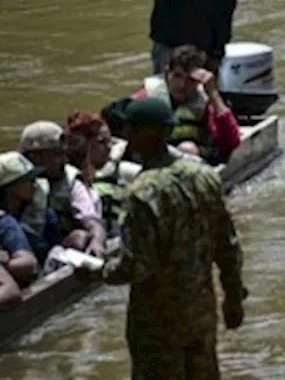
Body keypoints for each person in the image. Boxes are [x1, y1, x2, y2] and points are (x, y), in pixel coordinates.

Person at [79, 98, 246, 380]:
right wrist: (233, 297)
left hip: (156, 324)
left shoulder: (142, 193)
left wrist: (96, 272)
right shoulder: (204, 176)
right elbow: (227, 245)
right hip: (200, 314)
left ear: (133, 134)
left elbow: (138, 266)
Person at [134, 44, 241, 164]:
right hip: (151, 160)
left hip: (191, 163)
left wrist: (213, 94)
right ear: (166, 72)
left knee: (187, 148)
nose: (182, 85)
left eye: (190, 80)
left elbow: (231, 142)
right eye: (177, 76)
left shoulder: (204, 103)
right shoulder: (145, 97)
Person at [19, 120, 101, 261]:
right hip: (22, 248)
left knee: (80, 238)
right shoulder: (14, 181)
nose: (64, 160)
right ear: (35, 158)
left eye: (64, 154)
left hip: (58, 249)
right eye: (57, 155)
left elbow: (91, 221)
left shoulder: (71, 181)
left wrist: (97, 241)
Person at [64, 112, 113, 247]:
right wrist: (97, 241)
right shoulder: (74, 180)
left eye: (110, 141)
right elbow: (89, 218)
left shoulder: (86, 178)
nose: (109, 148)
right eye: (102, 142)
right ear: (85, 144)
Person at [0, 152, 41, 293]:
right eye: (27, 180)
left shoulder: (5, 222)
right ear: (9, 186)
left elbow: (29, 263)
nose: (34, 184)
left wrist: (5, 265)